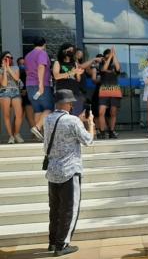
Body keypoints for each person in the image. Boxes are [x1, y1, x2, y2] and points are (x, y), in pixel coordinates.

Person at [44, 89, 94, 257]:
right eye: (71, 103)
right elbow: (88, 140)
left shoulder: (48, 119)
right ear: (66, 104)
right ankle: (62, 245)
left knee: (55, 209)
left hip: (53, 171)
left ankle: (52, 242)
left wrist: (78, 121)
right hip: (69, 170)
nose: (73, 105)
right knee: (70, 209)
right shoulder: (73, 121)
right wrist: (91, 124)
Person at [25, 37, 54, 141]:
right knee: (49, 108)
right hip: (41, 85)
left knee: (38, 109)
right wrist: (41, 84)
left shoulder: (28, 55)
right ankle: (37, 128)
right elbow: (41, 67)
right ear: (44, 44)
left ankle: (39, 135)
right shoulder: (42, 53)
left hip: (29, 85)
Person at [52, 43, 85, 116]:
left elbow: (78, 79)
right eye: (69, 50)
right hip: (63, 93)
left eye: (72, 50)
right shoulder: (58, 63)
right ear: (63, 51)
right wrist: (71, 72)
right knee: (63, 115)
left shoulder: (74, 63)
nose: (71, 51)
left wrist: (78, 73)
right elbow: (56, 76)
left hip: (75, 92)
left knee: (76, 114)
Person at [0, 52, 24, 143]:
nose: (9, 59)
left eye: (11, 57)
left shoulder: (15, 67)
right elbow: (4, 84)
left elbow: (17, 78)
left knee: (19, 114)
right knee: (7, 115)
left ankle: (16, 134)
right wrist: (4, 70)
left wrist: (8, 68)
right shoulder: (0, 70)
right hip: (4, 92)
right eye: (7, 57)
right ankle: (11, 136)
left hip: (15, 91)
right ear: (2, 59)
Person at [99, 47, 122, 139]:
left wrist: (114, 55)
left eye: (111, 55)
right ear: (104, 57)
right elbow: (104, 69)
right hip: (104, 90)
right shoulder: (101, 65)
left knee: (113, 113)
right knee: (101, 112)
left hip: (115, 90)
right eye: (108, 55)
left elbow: (118, 68)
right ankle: (102, 131)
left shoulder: (114, 65)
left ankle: (111, 131)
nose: (110, 57)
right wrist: (108, 58)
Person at [17, 57, 36, 131]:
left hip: (28, 96)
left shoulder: (31, 73)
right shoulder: (17, 73)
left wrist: (26, 91)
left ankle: (36, 134)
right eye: (20, 64)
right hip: (19, 96)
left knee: (30, 116)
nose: (22, 65)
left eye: (23, 64)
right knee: (19, 116)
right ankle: (14, 135)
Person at [90, 53, 104, 136]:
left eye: (101, 59)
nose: (100, 60)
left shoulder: (108, 66)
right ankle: (98, 130)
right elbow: (94, 80)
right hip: (99, 91)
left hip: (109, 90)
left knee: (107, 112)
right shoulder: (95, 67)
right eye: (98, 59)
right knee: (97, 112)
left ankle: (106, 130)